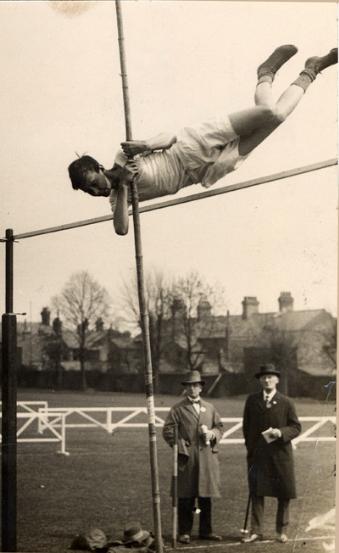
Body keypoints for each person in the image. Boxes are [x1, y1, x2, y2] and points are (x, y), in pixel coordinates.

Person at [68, 45, 337, 235]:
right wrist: (124, 185)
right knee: (277, 118)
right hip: (206, 171)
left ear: (98, 168)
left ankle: (265, 73)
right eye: (88, 191)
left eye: (92, 183)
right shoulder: (117, 201)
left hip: (190, 145)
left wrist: (146, 145)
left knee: (266, 112)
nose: (95, 191)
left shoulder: (122, 156)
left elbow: (169, 137)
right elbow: (121, 229)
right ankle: (311, 70)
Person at [242, 363, 301, 544]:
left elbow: (296, 427)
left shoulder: (286, 402)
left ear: (276, 380)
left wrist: (281, 433)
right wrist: (251, 449)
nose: (267, 380)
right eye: (263, 377)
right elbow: (247, 427)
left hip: (280, 455)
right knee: (257, 492)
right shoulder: (252, 400)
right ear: (260, 380)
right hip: (258, 455)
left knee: (283, 493)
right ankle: (256, 531)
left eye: (270, 377)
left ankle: (281, 531)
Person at [162, 370, 223, 544]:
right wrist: (181, 445)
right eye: (189, 386)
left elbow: (219, 427)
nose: (192, 389)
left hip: (206, 459)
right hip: (186, 458)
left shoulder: (210, 407)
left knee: (205, 496)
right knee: (186, 496)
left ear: (201, 388)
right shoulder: (178, 408)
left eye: (196, 385)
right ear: (186, 388)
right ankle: (184, 531)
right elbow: (167, 430)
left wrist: (212, 434)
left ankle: (206, 531)